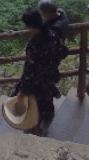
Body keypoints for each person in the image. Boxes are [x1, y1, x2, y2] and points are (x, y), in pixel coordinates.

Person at [13, 7, 65, 136]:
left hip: (37, 81)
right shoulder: (53, 34)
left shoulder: (34, 44)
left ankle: (36, 128)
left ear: (30, 26)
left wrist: (22, 90)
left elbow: (29, 70)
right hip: (50, 74)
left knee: (36, 104)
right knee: (47, 97)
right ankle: (49, 113)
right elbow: (62, 51)